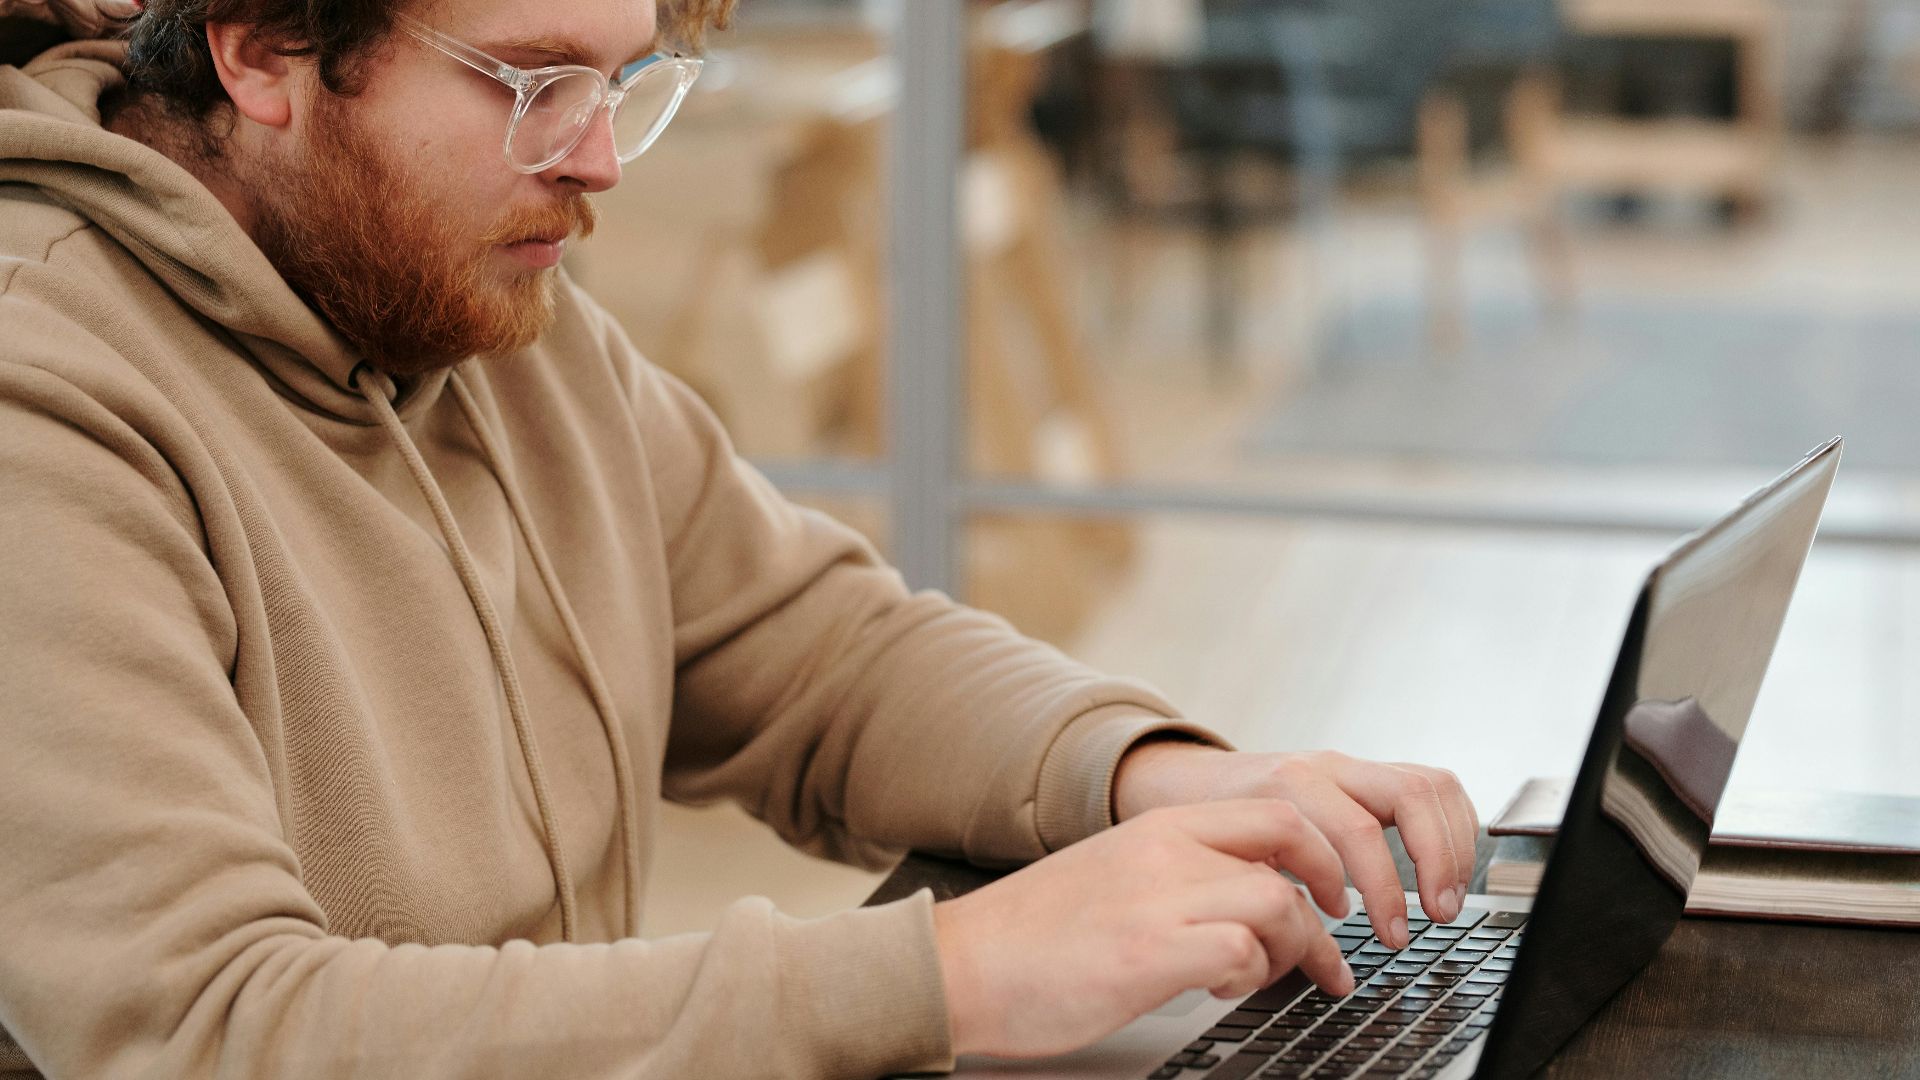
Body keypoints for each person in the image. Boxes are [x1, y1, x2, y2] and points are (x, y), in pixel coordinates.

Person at [0, 1, 1478, 1076]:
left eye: (625, 81)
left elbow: (818, 656)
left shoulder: (481, 308)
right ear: (262, 49)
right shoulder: (42, 395)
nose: (598, 162)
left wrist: (1161, 777)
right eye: (533, 84)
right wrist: (949, 976)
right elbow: (204, 1030)